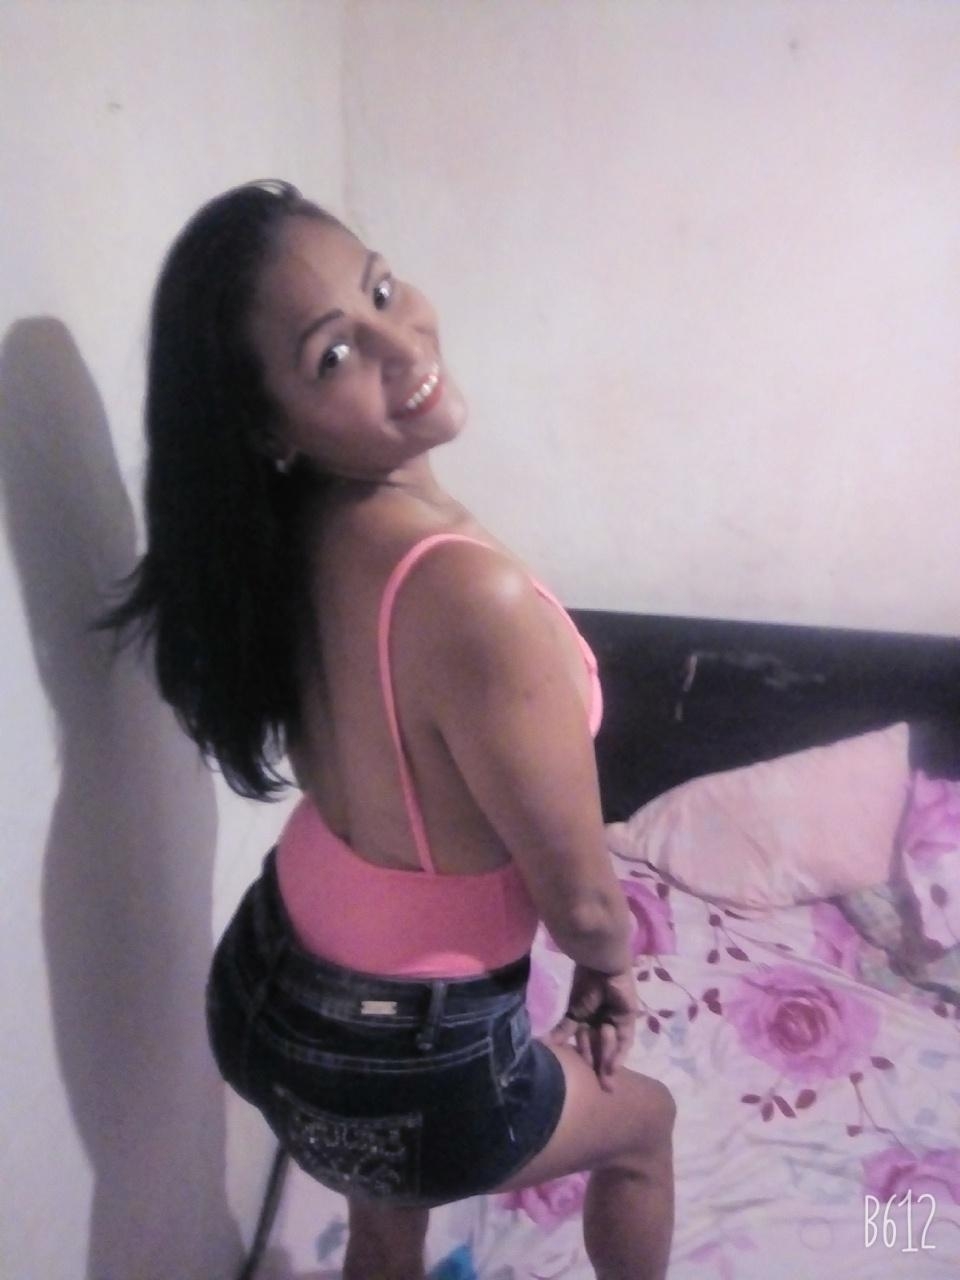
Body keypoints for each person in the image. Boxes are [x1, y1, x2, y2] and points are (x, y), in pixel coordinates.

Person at [101, 180, 675, 1280]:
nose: (400, 342)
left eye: (379, 290)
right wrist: (612, 971)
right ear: (271, 429)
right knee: (644, 1128)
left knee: (385, 1213)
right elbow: (586, 903)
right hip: (400, 1056)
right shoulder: (473, 600)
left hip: (268, 985)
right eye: (332, 355)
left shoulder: (290, 534)